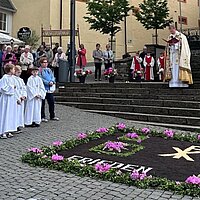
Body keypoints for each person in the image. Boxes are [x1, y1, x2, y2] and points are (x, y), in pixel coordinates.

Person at [0, 64, 18, 139]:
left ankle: (9, 129)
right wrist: (12, 87)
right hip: (6, 99)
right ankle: (3, 131)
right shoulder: (4, 78)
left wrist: (17, 98)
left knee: (11, 114)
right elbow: (3, 88)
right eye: (13, 69)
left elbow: (16, 89)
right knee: (5, 114)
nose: (14, 71)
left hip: (12, 98)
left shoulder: (13, 78)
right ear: (10, 70)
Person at [39, 57, 59, 122]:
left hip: (50, 89)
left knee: (51, 102)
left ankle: (52, 115)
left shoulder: (49, 70)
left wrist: (52, 81)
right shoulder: (40, 70)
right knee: (42, 103)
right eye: (44, 62)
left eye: (46, 62)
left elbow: (52, 76)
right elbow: (40, 78)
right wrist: (47, 82)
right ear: (41, 63)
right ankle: (42, 116)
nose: (45, 64)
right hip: (43, 89)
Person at [14, 65, 27, 132]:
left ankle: (18, 125)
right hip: (17, 99)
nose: (19, 73)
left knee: (20, 113)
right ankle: (14, 126)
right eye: (18, 72)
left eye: (20, 72)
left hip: (21, 98)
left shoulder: (21, 80)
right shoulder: (13, 79)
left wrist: (24, 95)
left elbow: (24, 88)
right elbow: (14, 90)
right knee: (15, 113)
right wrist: (18, 97)